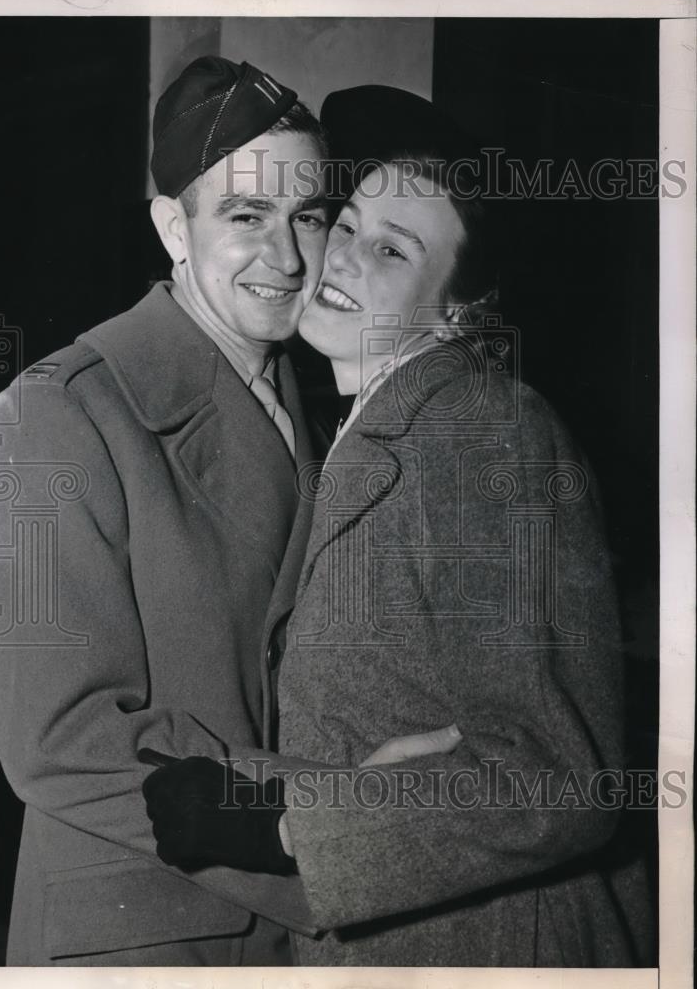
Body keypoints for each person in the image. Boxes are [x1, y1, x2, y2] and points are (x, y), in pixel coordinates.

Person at [143, 86, 652, 966]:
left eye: (392, 249)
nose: (341, 257)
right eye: (344, 225)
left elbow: (560, 778)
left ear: (456, 309)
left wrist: (284, 830)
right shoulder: (375, 429)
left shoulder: (486, 429)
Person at [0, 55, 335, 967]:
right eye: (246, 217)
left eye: (310, 217)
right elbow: (62, 740)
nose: (287, 257)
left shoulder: (322, 401)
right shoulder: (52, 415)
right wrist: (338, 823)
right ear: (175, 227)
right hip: (151, 938)